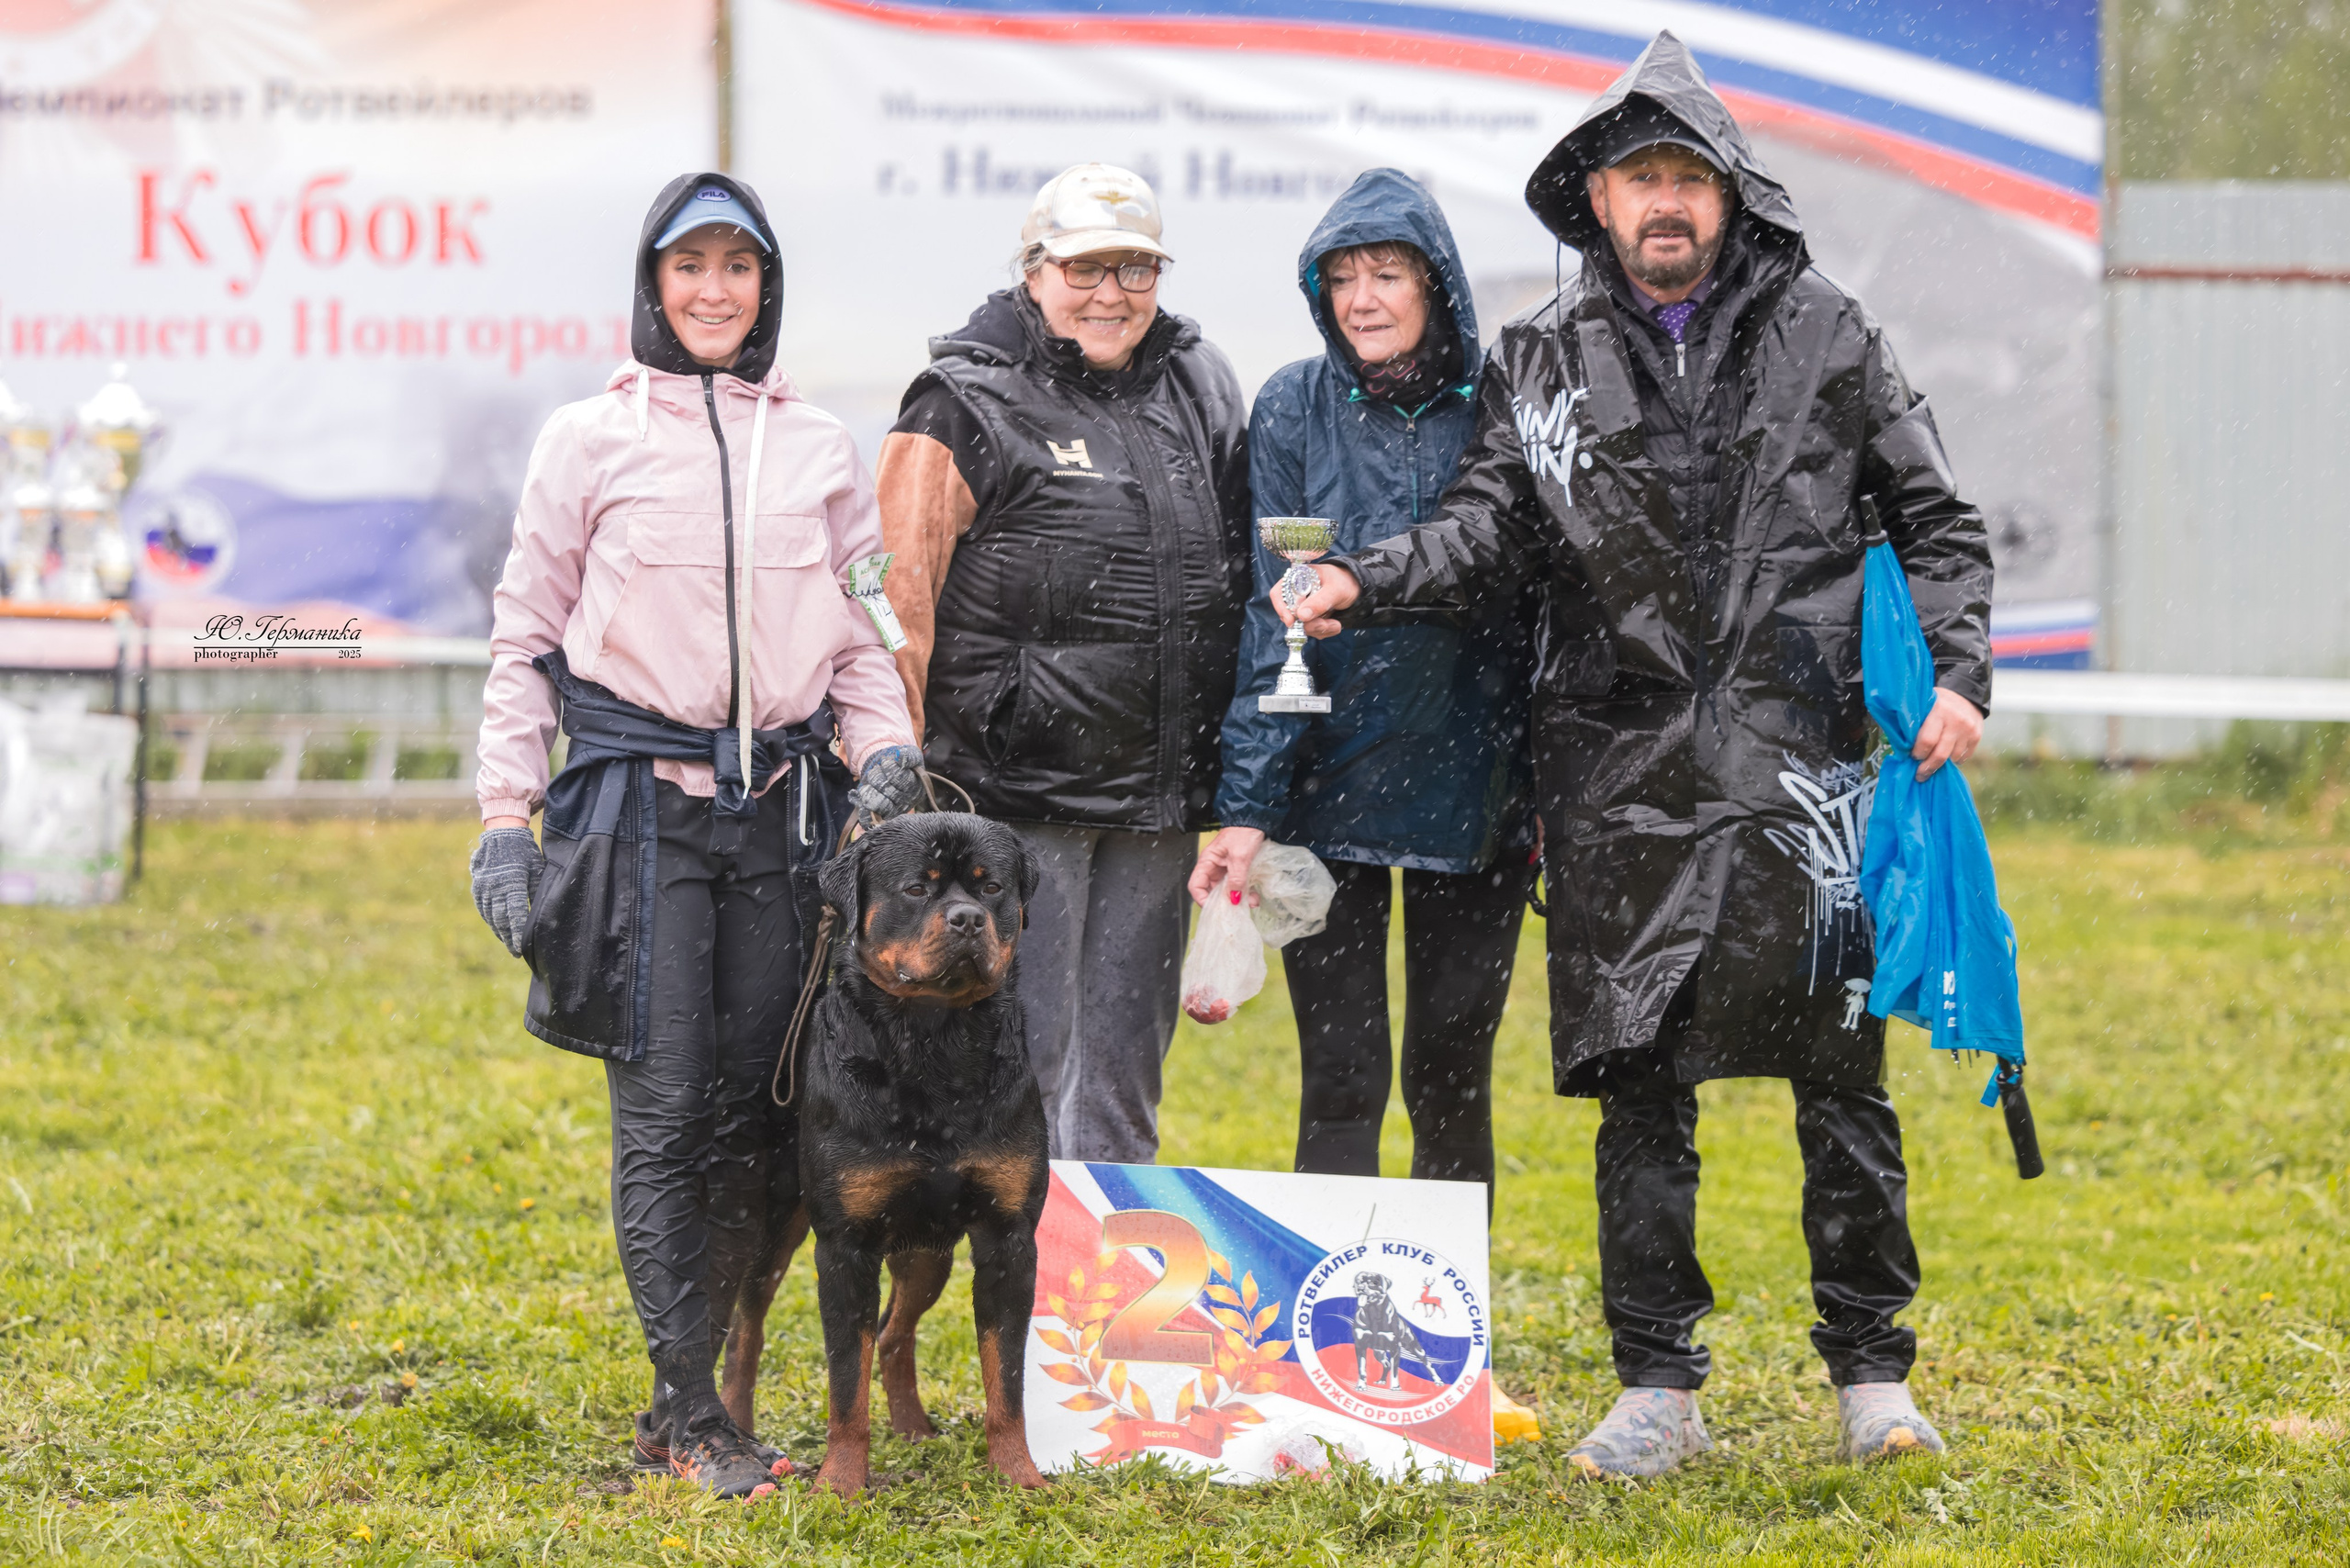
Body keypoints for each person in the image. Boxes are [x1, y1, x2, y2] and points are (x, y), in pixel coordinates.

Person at [1278, 34, 1993, 1476]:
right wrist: (1363, 572)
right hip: (1618, 785)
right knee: (1637, 1087)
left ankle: (1873, 1376)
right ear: (1595, 200)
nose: (1664, 201)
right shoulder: (1540, 359)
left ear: (1729, 194)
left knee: (1842, 1081)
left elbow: (1940, 524)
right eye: (1637, 178)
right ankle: (1657, 1384)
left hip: (1805, 778)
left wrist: (1959, 676)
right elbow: (1484, 529)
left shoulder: (1831, 334)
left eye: (1687, 176)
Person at [466, 174, 925, 1499]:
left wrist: (886, 752)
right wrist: (504, 820)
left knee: (758, 1112)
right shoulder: (586, 439)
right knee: (666, 1112)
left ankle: (706, 1396)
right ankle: (683, 1413)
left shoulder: (823, 446)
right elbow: (524, 637)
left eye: (738, 267)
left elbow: (862, 633)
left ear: (765, 287)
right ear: (653, 285)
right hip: (636, 821)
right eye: (691, 267)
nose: (714, 290)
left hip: (784, 819)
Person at [876, 163, 1251, 1163]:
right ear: (1034, 269)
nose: (1110, 294)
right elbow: (891, 599)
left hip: (1156, 804)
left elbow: (1241, 578)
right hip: (1013, 802)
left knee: (1126, 1084)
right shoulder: (960, 399)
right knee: (1018, 1073)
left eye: (1136, 269)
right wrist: (888, 769)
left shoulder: (1201, 382)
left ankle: (1102, 1268)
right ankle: (1013, 1263)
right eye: (1086, 268)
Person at [1189, 169, 1531, 1201]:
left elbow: (1531, 582)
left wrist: (1548, 784)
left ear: (1438, 285)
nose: (1363, 300)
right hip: (1325, 783)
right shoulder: (1293, 403)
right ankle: (1330, 1299)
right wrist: (1248, 805)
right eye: (1342, 278)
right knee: (1338, 1079)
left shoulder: (1504, 399)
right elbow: (1273, 612)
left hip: (1477, 781)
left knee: (1451, 1077)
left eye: (1387, 274)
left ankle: (1441, 1303)